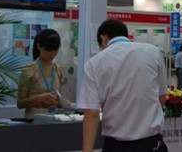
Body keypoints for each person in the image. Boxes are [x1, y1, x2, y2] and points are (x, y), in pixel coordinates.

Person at [77, 19, 169, 152]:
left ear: (103, 38)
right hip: (152, 144)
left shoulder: (93, 64)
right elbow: (161, 97)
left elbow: (91, 113)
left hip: (116, 146)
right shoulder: (153, 52)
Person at [16, 28, 70, 118]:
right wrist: (39, 98)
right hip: (34, 119)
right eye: (48, 50)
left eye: (55, 50)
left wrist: (62, 102)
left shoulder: (58, 69)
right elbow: (20, 103)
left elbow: (57, 97)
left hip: (53, 118)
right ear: (39, 46)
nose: (52, 54)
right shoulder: (29, 69)